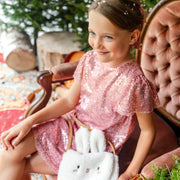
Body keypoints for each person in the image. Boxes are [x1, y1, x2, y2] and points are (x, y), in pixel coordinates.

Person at [0, 0, 160, 179]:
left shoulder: (135, 82)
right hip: (68, 126)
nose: (96, 44)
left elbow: (148, 131)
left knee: (18, 164)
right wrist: (28, 122)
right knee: (9, 151)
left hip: (92, 144)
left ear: (132, 37)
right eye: (92, 33)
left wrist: (131, 171)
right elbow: (69, 101)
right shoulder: (89, 59)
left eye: (108, 37)